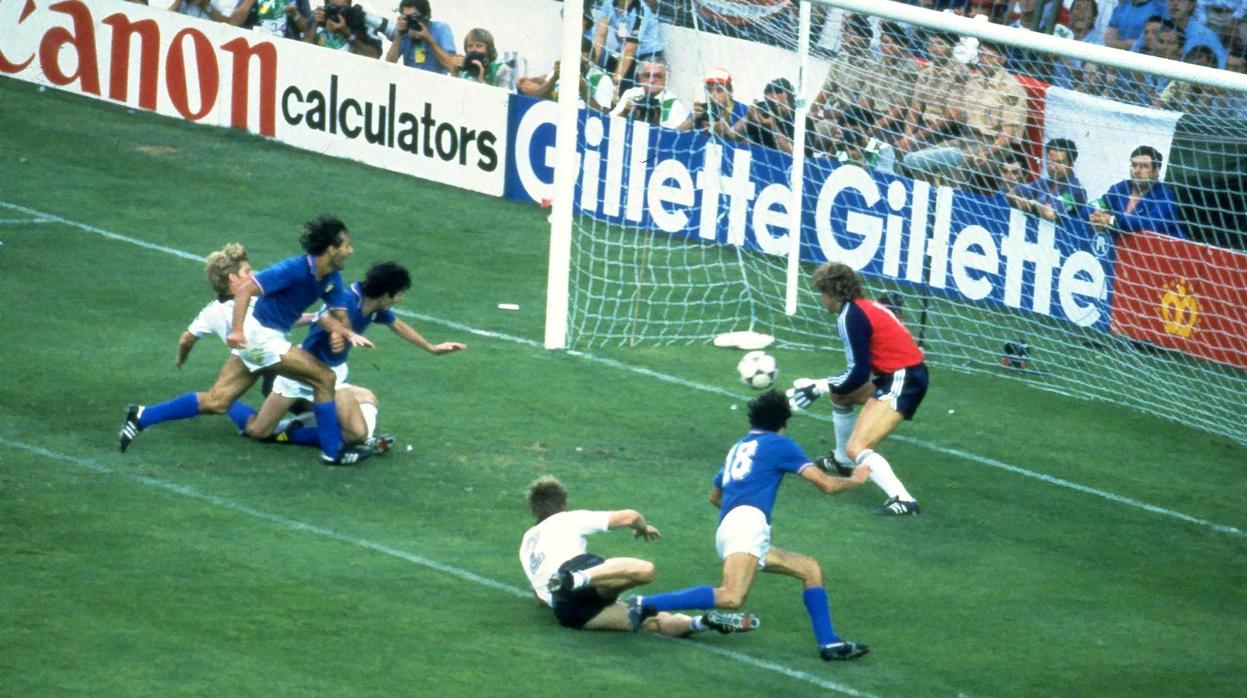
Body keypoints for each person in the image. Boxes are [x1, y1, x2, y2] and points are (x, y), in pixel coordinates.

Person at [627, 391, 872, 662]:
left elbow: (715, 496)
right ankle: (646, 604)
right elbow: (826, 484)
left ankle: (829, 643)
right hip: (747, 525)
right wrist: (857, 480)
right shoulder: (781, 444)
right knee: (731, 597)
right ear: (785, 422)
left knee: (809, 569)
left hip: (736, 524)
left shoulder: (739, 447)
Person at [119, 215, 377, 465]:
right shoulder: (294, 269)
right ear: (331, 249)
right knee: (326, 378)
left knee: (218, 401)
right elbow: (245, 289)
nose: (351, 251)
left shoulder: (331, 277)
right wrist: (238, 330)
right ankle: (333, 452)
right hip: (260, 338)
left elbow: (338, 311)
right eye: (347, 245)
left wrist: (343, 332)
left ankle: (142, 415)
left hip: (264, 340)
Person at [227, 261, 467, 450]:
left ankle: (296, 428)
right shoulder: (348, 300)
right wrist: (339, 332)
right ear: (386, 294)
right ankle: (229, 404)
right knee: (258, 432)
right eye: (399, 294)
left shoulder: (373, 308)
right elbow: (322, 316)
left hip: (333, 377)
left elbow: (398, 326)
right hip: (303, 372)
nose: (400, 299)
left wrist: (431, 348)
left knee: (359, 427)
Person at [522, 476, 758, 637]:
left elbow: (539, 597)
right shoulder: (566, 518)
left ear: (535, 511)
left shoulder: (525, 545)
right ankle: (578, 578)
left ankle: (700, 623)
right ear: (564, 503)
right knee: (645, 571)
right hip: (576, 572)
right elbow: (630, 516)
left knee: (647, 618)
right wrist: (643, 528)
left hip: (568, 611)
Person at [787, 262, 929, 516]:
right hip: (901, 374)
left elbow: (858, 373)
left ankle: (903, 499)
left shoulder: (850, 316)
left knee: (859, 447)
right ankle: (841, 461)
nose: (822, 300)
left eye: (823, 294)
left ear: (833, 293)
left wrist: (816, 387)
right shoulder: (865, 307)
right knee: (840, 395)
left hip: (902, 379)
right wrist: (825, 387)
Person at [1089, 145, 1188, 238]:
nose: (1136, 170)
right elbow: (1096, 204)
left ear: (1156, 171)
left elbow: (1148, 225)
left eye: (1144, 166)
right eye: (1133, 165)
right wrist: (1097, 214)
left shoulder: (1165, 197)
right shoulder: (1121, 187)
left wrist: (1111, 220)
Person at [588, 0, 664, 102]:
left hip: (647, 56)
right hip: (625, 51)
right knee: (603, 77)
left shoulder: (639, 11)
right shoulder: (609, 3)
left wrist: (615, 83)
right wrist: (592, 65)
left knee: (624, 92)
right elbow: (601, 34)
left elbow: (630, 49)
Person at [1007, 138, 1089, 222]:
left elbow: (1051, 215)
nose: (1054, 167)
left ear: (1071, 164)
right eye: (1051, 162)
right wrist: (1020, 202)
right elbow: (1012, 193)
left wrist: (1031, 205)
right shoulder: (1044, 182)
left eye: (1060, 163)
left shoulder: (1076, 190)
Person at [610, 58, 690, 129]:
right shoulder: (630, 94)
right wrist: (625, 112)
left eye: (657, 76)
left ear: (666, 78)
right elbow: (611, 122)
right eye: (647, 75)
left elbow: (675, 136)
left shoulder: (672, 103)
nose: (651, 80)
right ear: (639, 78)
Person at [385, 0, 456, 73]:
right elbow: (389, 64)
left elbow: (451, 66)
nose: (411, 21)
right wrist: (399, 35)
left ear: (426, 16)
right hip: (411, 79)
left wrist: (428, 38)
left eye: (413, 17)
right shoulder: (405, 32)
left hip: (435, 81)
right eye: (407, 18)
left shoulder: (441, 29)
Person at [305, 0, 382, 58]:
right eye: (333, 8)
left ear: (350, 5)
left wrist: (348, 35)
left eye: (341, 9)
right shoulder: (316, 16)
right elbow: (303, 50)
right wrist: (314, 24)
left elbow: (375, 56)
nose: (337, 13)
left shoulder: (362, 20)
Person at [684, 67, 747, 136]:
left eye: (719, 90)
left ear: (730, 91)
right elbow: (675, 135)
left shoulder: (743, 111)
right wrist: (692, 120)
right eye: (709, 90)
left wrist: (727, 134)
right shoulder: (701, 110)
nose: (712, 95)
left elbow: (753, 145)